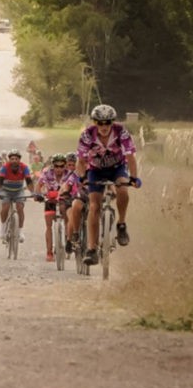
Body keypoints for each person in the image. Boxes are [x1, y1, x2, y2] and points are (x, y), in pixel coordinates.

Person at [76, 104, 141, 266]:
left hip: (117, 169)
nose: (104, 126)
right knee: (94, 206)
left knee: (123, 191)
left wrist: (133, 178)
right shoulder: (87, 135)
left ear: (112, 122)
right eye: (100, 123)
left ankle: (121, 224)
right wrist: (83, 177)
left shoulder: (121, 132)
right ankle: (91, 249)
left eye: (107, 122)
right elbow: (81, 161)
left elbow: (131, 157)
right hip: (95, 170)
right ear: (95, 123)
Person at [35, 153, 79, 262]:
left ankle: (68, 239)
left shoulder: (70, 174)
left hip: (65, 200)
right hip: (50, 201)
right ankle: (49, 252)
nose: (59, 169)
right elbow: (39, 185)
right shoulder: (46, 173)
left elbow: (76, 187)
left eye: (61, 166)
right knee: (49, 225)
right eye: (56, 166)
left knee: (68, 218)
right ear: (52, 166)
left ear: (65, 166)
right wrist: (37, 195)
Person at [0, 149, 35, 243]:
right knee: (5, 206)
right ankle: (3, 227)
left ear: (19, 160)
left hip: (19, 191)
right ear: (9, 160)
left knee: (20, 207)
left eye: (16, 159)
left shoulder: (24, 167)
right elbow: (0, 181)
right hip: (6, 191)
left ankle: (21, 231)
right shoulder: (5, 167)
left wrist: (33, 192)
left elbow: (29, 181)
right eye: (12, 159)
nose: (14, 161)